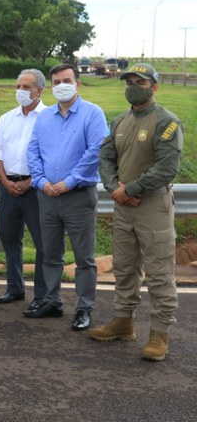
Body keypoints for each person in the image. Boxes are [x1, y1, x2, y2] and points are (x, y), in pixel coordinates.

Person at [91, 63, 183, 361]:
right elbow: (105, 156)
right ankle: (123, 321)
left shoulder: (166, 121)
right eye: (129, 81)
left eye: (140, 82)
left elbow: (167, 168)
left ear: (154, 87)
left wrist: (128, 190)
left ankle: (159, 332)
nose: (133, 86)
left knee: (158, 272)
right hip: (123, 207)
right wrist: (113, 187)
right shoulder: (120, 121)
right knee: (125, 267)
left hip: (152, 206)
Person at [23, 63, 108, 331]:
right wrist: (41, 181)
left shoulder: (93, 114)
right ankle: (51, 301)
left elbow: (95, 152)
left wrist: (68, 182)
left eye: (67, 80)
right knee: (50, 254)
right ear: (51, 86)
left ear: (78, 83)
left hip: (78, 197)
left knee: (84, 258)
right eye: (57, 81)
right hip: (47, 196)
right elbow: (33, 152)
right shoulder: (44, 117)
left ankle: (84, 308)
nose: (62, 85)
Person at [0, 69, 47, 307]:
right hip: (8, 185)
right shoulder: (7, 118)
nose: (20, 91)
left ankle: (42, 295)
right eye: (18, 86)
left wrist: (30, 181)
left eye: (26, 87)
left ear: (39, 90)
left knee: (42, 242)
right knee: (10, 239)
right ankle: (15, 288)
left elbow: (49, 156)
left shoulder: (48, 118)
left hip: (35, 187)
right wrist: (5, 181)